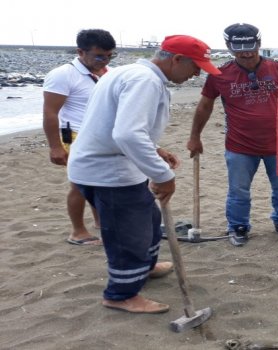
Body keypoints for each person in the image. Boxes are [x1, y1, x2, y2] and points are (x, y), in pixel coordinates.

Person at [68, 35, 221, 314]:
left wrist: (156, 149)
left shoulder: (131, 73)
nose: (197, 74)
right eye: (195, 67)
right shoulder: (144, 80)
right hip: (108, 172)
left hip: (109, 165)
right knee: (129, 235)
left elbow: (117, 124)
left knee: (149, 221)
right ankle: (121, 294)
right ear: (176, 60)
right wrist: (163, 175)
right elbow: (127, 133)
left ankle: (146, 267)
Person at [187, 23, 278, 247]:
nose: (246, 53)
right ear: (228, 46)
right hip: (239, 146)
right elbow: (204, 106)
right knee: (238, 190)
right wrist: (195, 136)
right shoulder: (218, 73)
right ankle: (238, 226)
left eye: (250, 46)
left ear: (259, 43)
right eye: (238, 48)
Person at [43, 29, 116, 246]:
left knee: (98, 183)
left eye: (109, 56)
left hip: (98, 136)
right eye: (99, 56)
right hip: (74, 135)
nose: (104, 61)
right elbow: (50, 112)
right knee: (80, 184)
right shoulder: (63, 74)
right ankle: (78, 232)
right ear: (80, 52)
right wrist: (55, 147)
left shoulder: (105, 72)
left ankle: (100, 221)